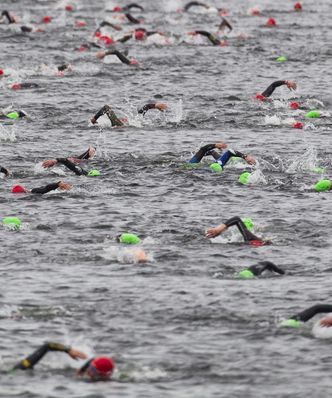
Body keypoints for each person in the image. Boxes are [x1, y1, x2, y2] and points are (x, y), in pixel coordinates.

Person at [12, 342, 115, 381]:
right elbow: (47, 345)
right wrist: (68, 350)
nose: (88, 371)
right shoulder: (20, 369)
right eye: (90, 368)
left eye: (92, 369)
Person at [91, 103, 167, 126]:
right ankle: (156, 105)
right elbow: (144, 108)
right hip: (127, 126)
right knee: (139, 117)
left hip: (121, 127)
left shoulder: (118, 123)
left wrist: (94, 119)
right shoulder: (136, 121)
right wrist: (156, 106)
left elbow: (105, 108)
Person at [188, 143, 256, 169]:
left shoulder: (191, 164)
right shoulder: (190, 165)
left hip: (214, 166)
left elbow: (203, 149)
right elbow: (230, 152)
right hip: (216, 167)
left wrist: (215, 145)